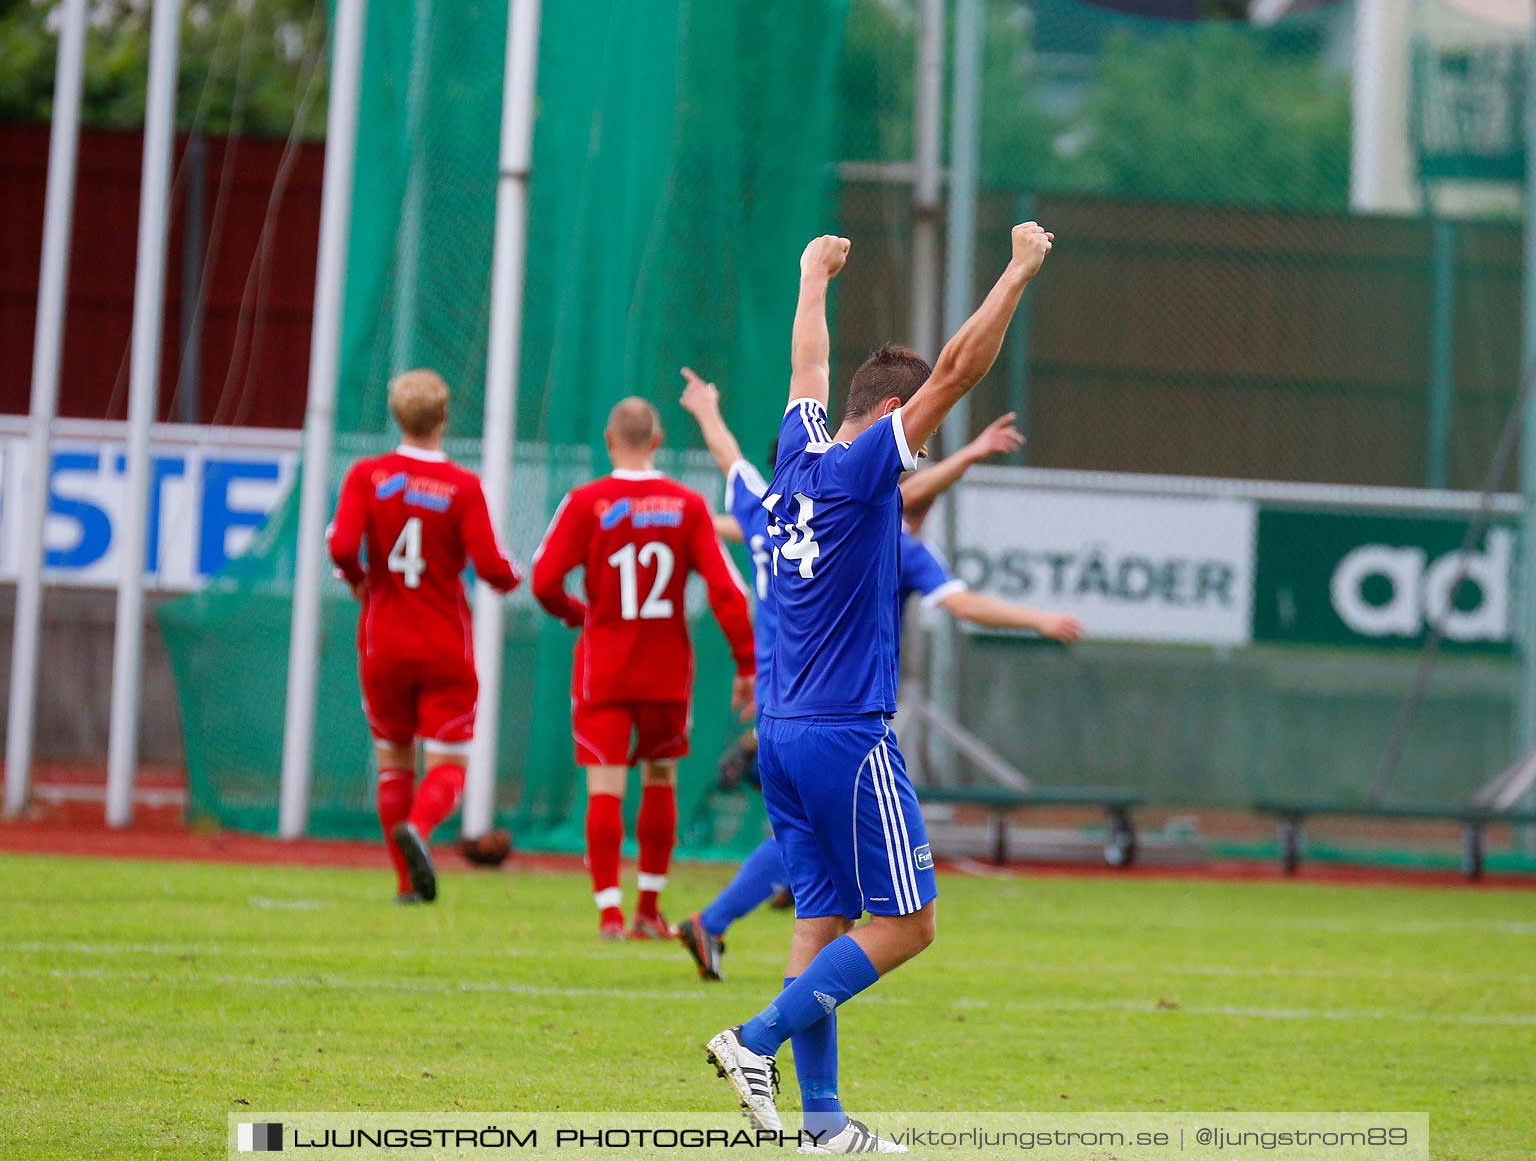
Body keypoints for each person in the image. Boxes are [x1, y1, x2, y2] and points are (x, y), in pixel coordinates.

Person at [703, 224, 1053, 1153]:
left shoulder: (797, 457)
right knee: (911, 923)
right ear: (893, 415)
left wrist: (811, 274)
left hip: (781, 734)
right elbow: (957, 372)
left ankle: (824, 1127)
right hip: (845, 735)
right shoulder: (865, 472)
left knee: (820, 919)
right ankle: (753, 1040)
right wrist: (1017, 271)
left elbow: (805, 371)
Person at [672, 369, 1079, 981]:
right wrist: (1041, 617)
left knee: (805, 857)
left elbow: (732, 465)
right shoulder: (881, 534)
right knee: (846, 885)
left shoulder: (772, 509)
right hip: (834, 706)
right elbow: (919, 519)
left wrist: (706, 410)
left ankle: (720, 930)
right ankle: (746, 997)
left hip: (779, 699)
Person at [530, 397, 757, 941]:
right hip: (665, 671)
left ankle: (609, 913)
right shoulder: (686, 505)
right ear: (658, 442)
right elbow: (729, 593)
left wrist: (579, 616)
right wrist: (747, 662)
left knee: (604, 787)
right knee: (661, 779)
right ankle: (647, 909)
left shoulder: (586, 502)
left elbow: (542, 581)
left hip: (604, 668)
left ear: (610, 440)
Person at [326, 369, 523, 905]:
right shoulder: (462, 486)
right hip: (442, 644)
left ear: (397, 415)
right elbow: (492, 567)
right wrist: (515, 575)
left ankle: (406, 883)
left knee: (393, 761)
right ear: (444, 417)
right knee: (449, 769)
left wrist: (359, 582)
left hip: (382, 641)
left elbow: (342, 545)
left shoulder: (366, 475)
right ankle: (420, 826)